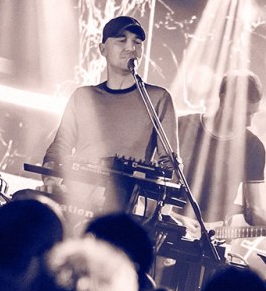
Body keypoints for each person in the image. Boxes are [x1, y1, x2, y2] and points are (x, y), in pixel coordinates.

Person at [42, 15, 177, 216]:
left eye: (137, 43)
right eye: (121, 40)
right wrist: (50, 179)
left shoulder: (158, 98)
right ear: (103, 49)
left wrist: (154, 211)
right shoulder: (83, 96)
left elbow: (169, 164)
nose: (130, 47)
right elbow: (60, 146)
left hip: (122, 210)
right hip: (74, 203)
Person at [175, 72, 266, 242]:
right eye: (244, 113)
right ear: (224, 99)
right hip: (168, 228)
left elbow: (253, 211)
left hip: (214, 240)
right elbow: (150, 182)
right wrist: (173, 217)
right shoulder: (180, 127)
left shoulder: (252, 146)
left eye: (252, 114)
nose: (249, 122)